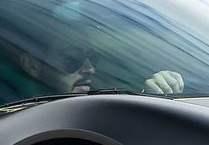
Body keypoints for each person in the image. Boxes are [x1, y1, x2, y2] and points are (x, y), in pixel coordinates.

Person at [14, 31, 184, 96]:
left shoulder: (97, 106)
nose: (90, 68)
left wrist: (152, 95)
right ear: (32, 65)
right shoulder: (13, 124)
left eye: (93, 58)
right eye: (73, 58)